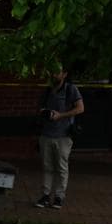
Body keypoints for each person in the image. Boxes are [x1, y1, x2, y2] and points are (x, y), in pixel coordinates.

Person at [35, 68, 84, 209]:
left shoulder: (70, 89)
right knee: (47, 166)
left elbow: (80, 108)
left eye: (57, 72)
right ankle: (45, 195)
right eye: (53, 72)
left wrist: (60, 115)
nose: (54, 74)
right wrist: (45, 113)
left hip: (63, 135)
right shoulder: (47, 90)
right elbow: (39, 108)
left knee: (61, 167)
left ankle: (59, 196)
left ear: (65, 74)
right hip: (46, 134)